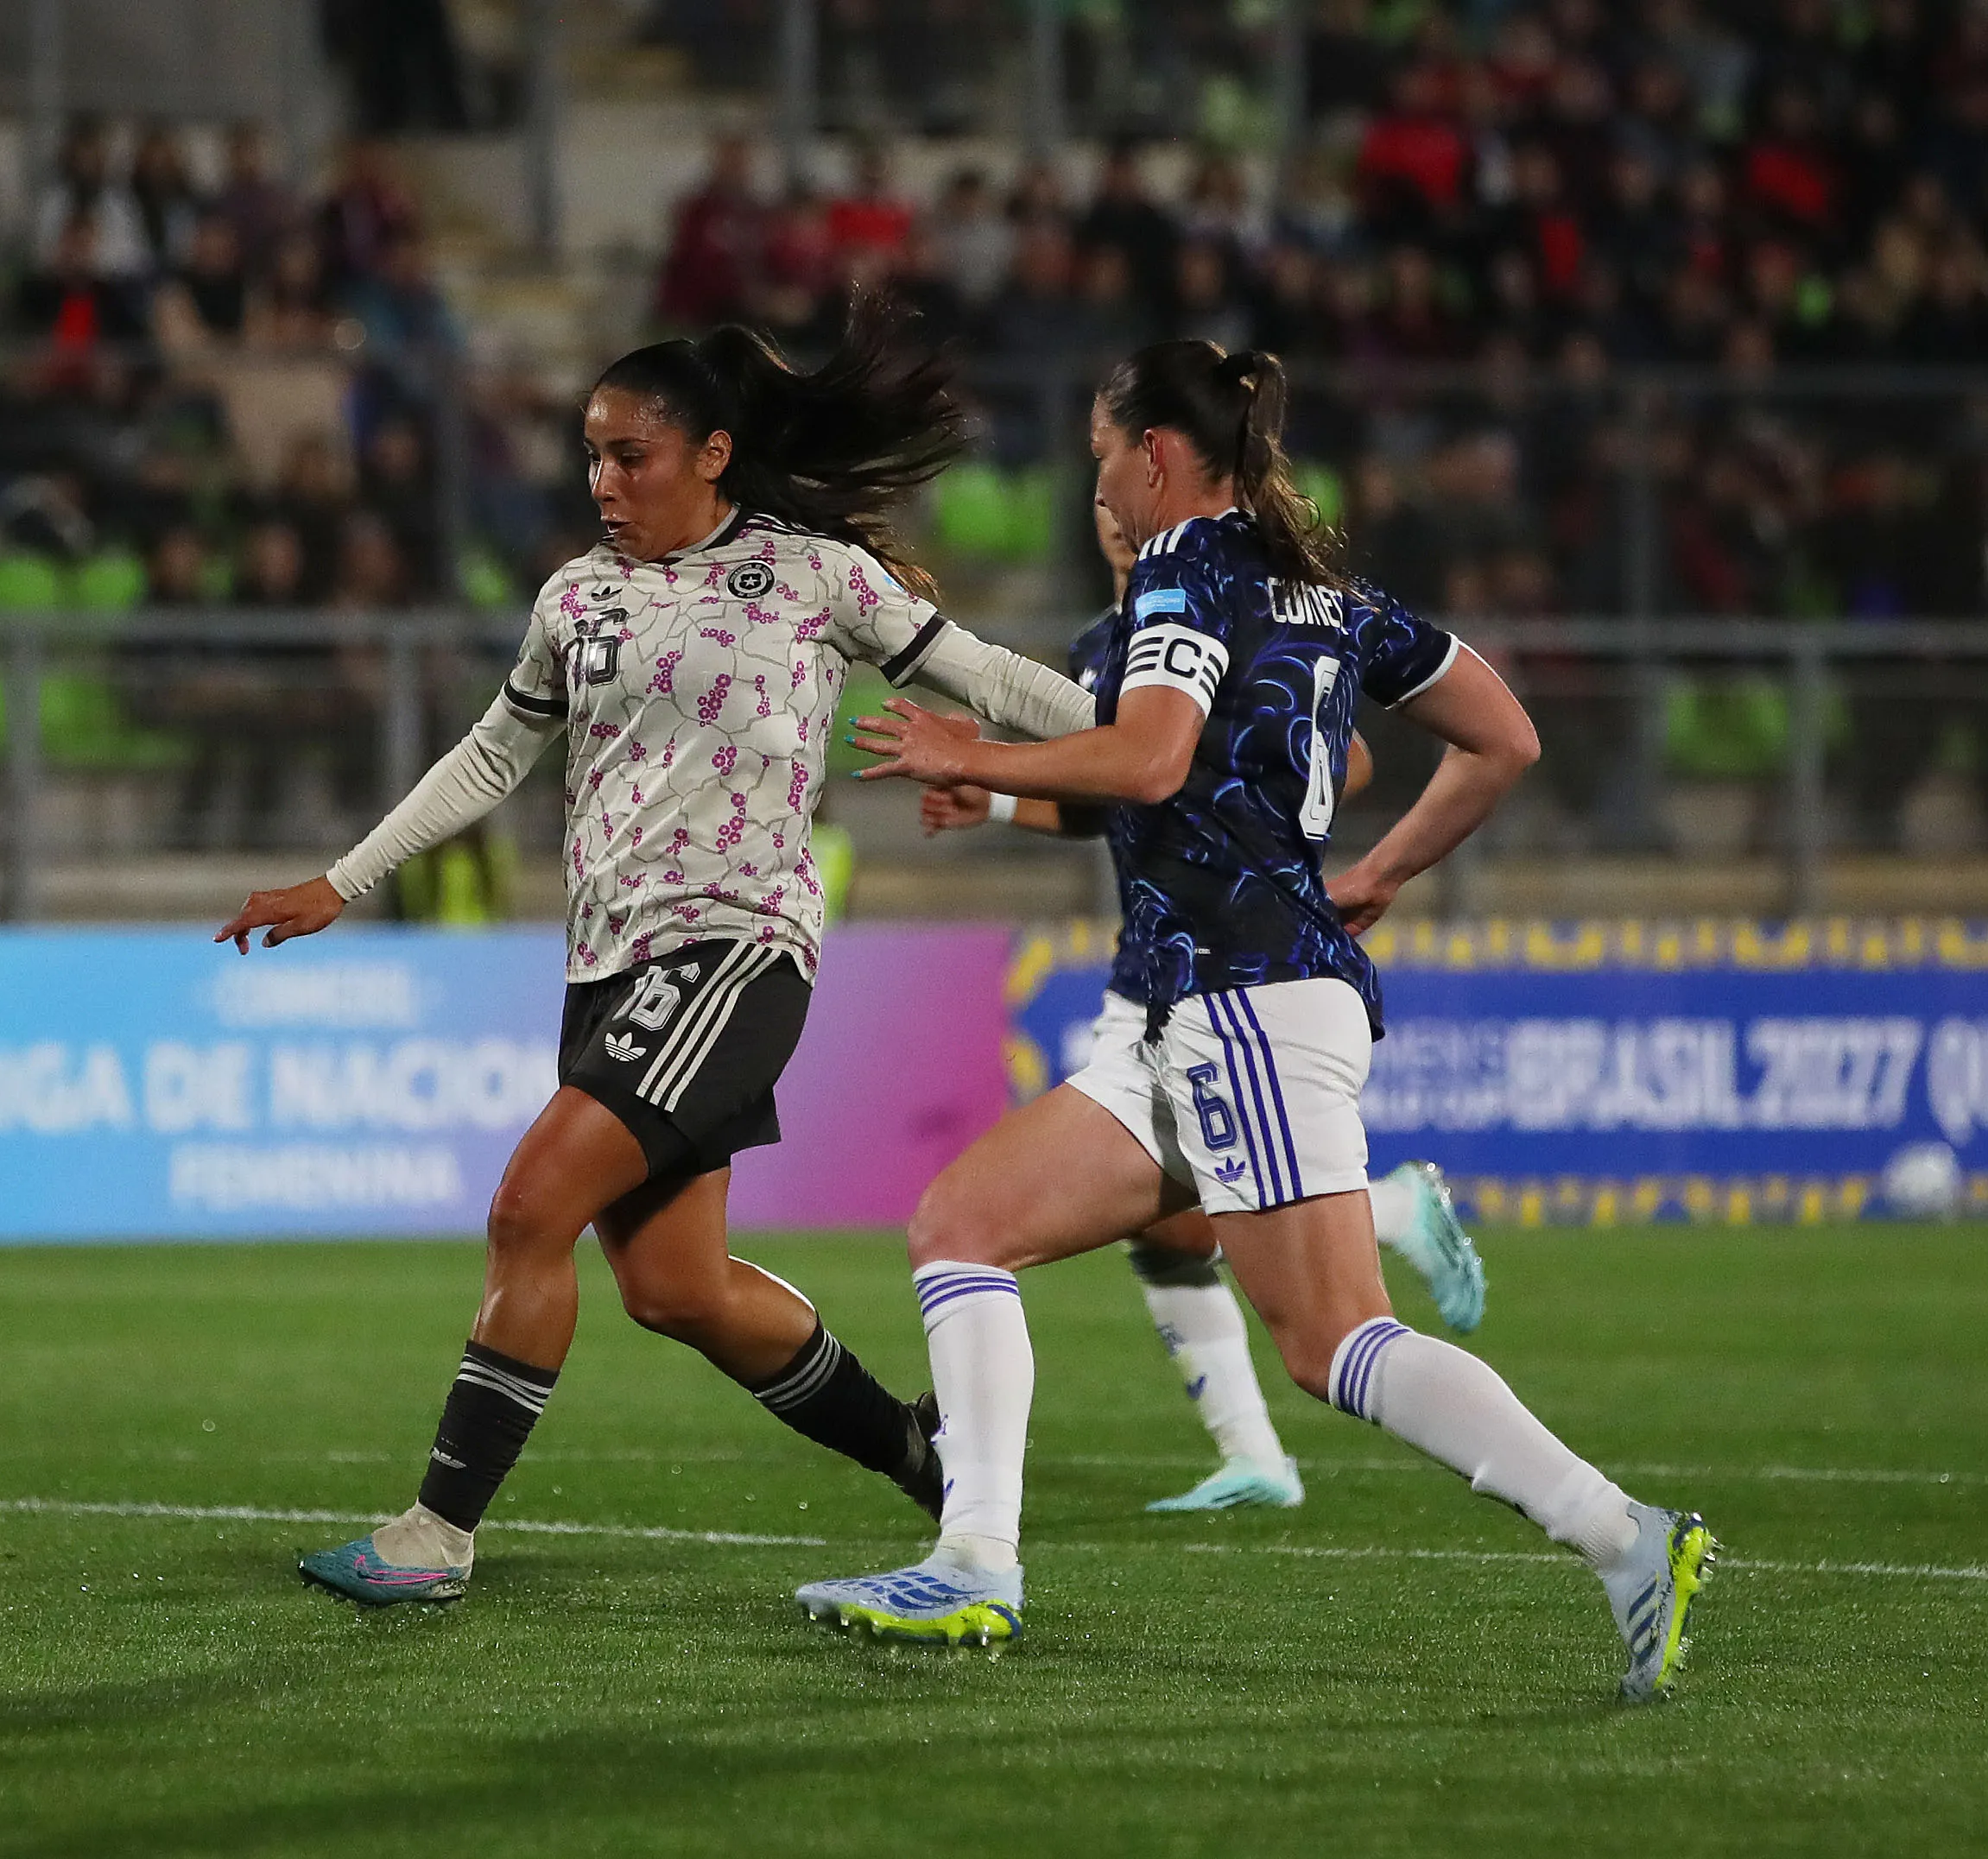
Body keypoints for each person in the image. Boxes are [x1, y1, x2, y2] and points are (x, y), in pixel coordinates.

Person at [795, 340, 1715, 1706]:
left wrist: (967, 753)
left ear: (1156, 453)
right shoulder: (1329, 588)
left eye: (1107, 449)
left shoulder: (1182, 565)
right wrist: (1385, 872)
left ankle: (1622, 1533)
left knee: (1333, 1340)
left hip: (1242, 1000)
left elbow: (1148, 756)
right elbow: (1504, 737)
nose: (1097, 476)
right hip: (1195, 1006)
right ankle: (973, 1562)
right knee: (960, 1226)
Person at [219, 300, 1101, 1607]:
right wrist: (343, 881)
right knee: (675, 1287)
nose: (602, 480)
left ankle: (433, 1536)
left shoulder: (812, 575)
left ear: (712, 453)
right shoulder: (576, 596)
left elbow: (983, 678)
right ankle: (923, 1450)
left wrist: (1141, 738)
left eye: (629, 454)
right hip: (607, 966)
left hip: (734, 949)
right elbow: (492, 753)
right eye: (590, 454)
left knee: (528, 1206)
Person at [921, 494, 1485, 1513]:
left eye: (1113, 477)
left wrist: (1259, 801)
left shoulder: (1221, 606)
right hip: (1157, 968)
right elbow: (1119, 792)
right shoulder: (1110, 640)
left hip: (1217, 971)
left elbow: (1326, 756)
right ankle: (1251, 1454)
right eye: (1088, 494)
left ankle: (1387, 1222)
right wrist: (1000, 799)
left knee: (1285, 1297)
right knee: (1145, 1229)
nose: (1104, 508)